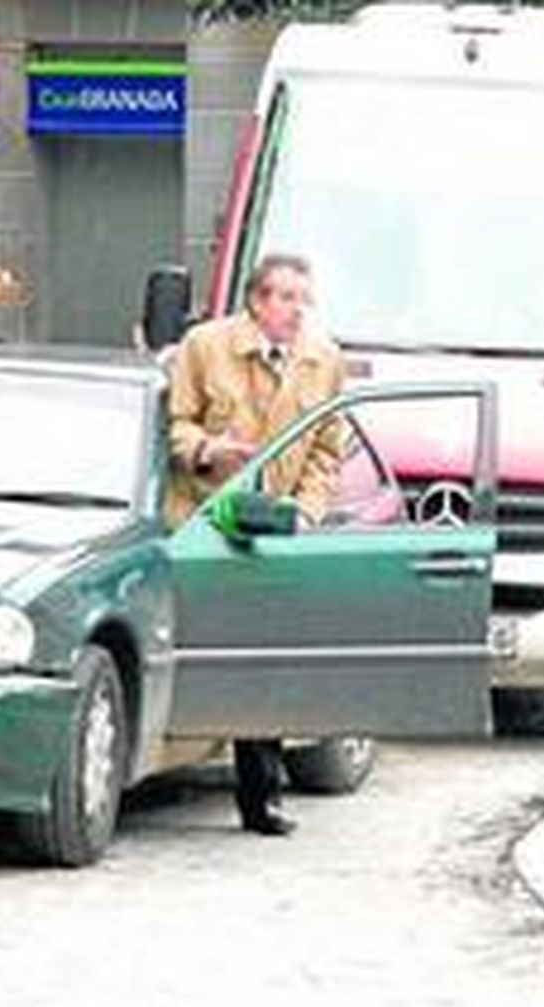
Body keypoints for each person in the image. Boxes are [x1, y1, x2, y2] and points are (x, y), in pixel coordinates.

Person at [167, 253, 347, 836]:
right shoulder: (205, 347)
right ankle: (165, 761)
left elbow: (327, 448)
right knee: (198, 651)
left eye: (304, 299)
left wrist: (308, 512)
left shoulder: (323, 361)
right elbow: (174, 425)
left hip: (274, 529)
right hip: (204, 519)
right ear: (258, 301)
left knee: (262, 660)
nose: (300, 311)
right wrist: (207, 449)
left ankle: (261, 796)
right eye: (289, 298)